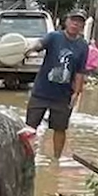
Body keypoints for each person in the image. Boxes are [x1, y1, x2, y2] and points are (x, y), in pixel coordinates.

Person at [23, 9, 90, 160]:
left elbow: (80, 71)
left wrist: (76, 93)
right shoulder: (54, 37)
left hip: (63, 94)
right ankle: (26, 157)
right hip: (41, 91)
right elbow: (40, 43)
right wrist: (30, 48)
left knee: (60, 129)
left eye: (79, 22)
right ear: (66, 21)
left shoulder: (83, 46)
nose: (75, 24)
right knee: (30, 127)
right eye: (73, 20)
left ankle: (56, 160)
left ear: (82, 26)